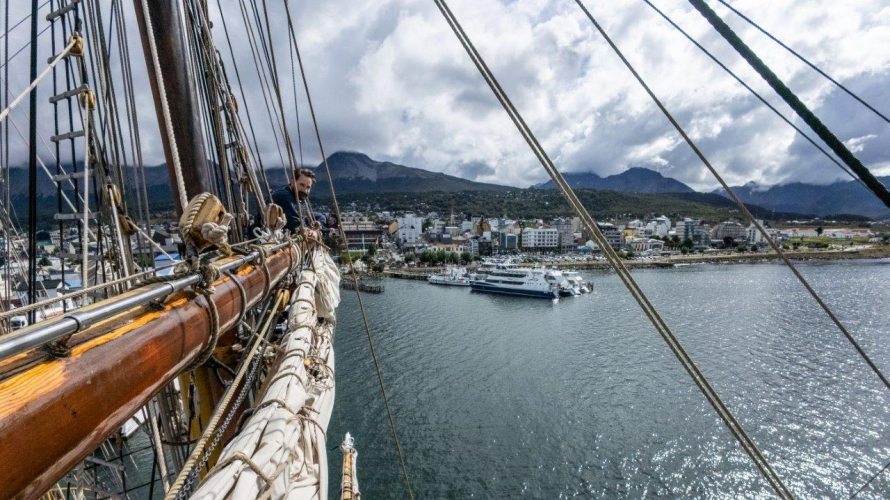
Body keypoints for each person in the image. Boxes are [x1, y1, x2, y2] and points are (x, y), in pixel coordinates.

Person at [262, 168, 326, 239]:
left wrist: (319, 224)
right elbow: (295, 224)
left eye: (308, 187)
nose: (304, 190)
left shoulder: (295, 197)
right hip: (267, 238)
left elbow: (305, 218)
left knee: (321, 216)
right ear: (292, 181)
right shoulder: (285, 197)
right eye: (301, 185)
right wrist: (314, 232)